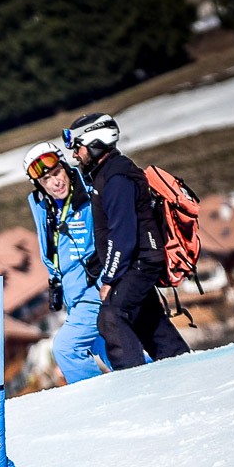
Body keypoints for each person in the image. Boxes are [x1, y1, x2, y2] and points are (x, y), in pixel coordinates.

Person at [63, 113, 191, 370]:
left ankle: (132, 382)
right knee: (147, 319)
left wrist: (110, 279)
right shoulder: (106, 174)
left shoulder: (117, 178)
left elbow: (122, 235)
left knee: (111, 316)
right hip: (136, 261)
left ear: (95, 143)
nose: (75, 155)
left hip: (141, 261)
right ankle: (182, 364)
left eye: (78, 147)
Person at [23, 141, 109, 384]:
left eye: (57, 172)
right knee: (111, 350)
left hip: (95, 291)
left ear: (66, 167)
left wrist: (107, 280)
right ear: (39, 184)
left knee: (66, 348)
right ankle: (152, 377)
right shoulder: (45, 208)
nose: (55, 182)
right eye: (46, 179)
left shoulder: (88, 196)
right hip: (74, 297)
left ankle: (101, 400)